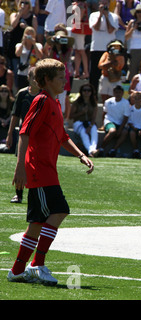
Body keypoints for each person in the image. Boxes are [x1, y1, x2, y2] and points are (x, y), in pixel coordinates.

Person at [7, 58, 94, 285]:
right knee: (59, 210)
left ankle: (17, 270)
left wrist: (81, 155)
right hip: (38, 170)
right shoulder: (42, 101)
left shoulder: (55, 103)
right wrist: (20, 168)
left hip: (46, 170)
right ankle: (37, 264)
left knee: (37, 222)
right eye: (60, 78)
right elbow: (24, 133)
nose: (64, 80)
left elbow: (63, 136)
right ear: (46, 80)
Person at [6, 67, 40, 204]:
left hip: (38, 136)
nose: (35, 81)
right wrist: (10, 134)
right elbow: (15, 115)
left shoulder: (44, 95)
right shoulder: (22, 94)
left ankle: (36, 194)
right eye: (33, 78)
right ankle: (18, 194)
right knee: (21, 165)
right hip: (23, 135)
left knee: (36, 166)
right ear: (28, 78)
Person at [89, 0, 120, 95]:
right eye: (103, 3)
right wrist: (100, 15)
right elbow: (96, 28)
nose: (104, 5)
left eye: (106, 3)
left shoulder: (114, 17)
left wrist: (106, 17)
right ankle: (93, 96)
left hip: (110, 50)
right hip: (96, 48)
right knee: (94, 75)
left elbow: (111, 30)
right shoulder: (93, 15)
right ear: (99, 4)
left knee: (110, 74)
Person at [94, 85, 131, 157]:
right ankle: (101, 149)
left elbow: (126, 117)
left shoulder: (126, 103)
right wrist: (103, 125)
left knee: (125, 132)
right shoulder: (108, 101)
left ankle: (113, 150)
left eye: (119, 92)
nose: (118, 94)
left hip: (120, 123)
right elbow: (104, 113)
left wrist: (120, 129)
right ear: (113, 93)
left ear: (122, 93)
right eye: (116, 92)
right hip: (109, 121)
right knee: (112, 131)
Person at [69, 83, 99, 157]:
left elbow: (94, 117)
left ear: (91, 92)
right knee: (83, 132)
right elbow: (70, 116)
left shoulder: (93, 103)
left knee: (94, 130)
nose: (86, 92)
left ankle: (92, 150)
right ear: (81, 92)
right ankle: (91, 151)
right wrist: (82, 112)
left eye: (89, 90)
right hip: (78, 122)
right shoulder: (77, 102)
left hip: (89, 123)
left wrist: (90, 126)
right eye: (84, 90)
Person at [70, 0, 91, 80]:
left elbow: (79, 16)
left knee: (81, 51)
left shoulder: (80, 5)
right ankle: (77, 71)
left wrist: (74, 8)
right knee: (77, 51)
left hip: (79, 30)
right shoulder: (79, 4)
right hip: (77, 29)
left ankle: (86, 72)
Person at [127, 91, 141, 158]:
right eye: (135, 98)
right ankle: (135, 149)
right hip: (133, 128)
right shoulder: (130, 109)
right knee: (132, 133)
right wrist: (133, 128)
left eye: (138, 98)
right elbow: (129, 121)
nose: (137, 100)